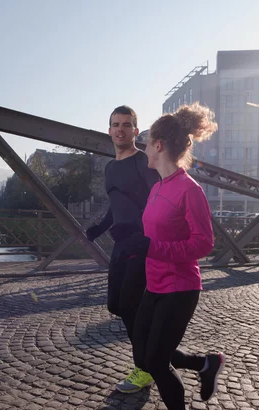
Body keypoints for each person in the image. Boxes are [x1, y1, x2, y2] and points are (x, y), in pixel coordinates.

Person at [119, 103, 225, 410]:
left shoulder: (189, 189)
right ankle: (205, 364)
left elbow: (203, 243)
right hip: (154, 283)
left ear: (159, 145)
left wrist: (153, 248)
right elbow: (154, 235)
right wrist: (133, 243)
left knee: (155, 358)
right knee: (147, 350)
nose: (144, 148)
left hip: (180, 287)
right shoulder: (157, 187)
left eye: (147, 142)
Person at [86, 105, 160, 393]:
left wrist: (145, 234)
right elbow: (116, 205)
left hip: (140, 244)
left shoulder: (143, 162)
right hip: (120, 242)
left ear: (135, 131)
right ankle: (159, 356)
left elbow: (158, 201)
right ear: (109, 130)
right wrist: (100, 228)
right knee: (116, 306)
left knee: (130, 306)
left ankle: (145, 368)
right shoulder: (110, 167)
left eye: (126, 125)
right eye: (115, 124)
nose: (120, 129)